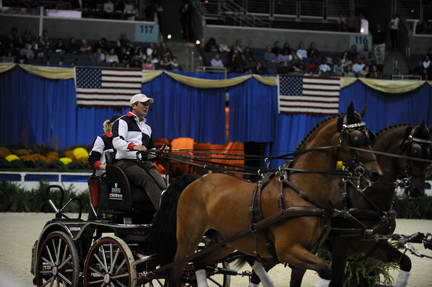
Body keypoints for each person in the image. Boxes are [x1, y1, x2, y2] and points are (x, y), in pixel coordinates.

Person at [112, 93, 166, 210]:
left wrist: (158, 152)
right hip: (124, 162)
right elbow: (117, 142)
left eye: (148, 105)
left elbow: (149, 151)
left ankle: (170, 209)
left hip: (143, 162)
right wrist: (134, 147)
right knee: (147, 180)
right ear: (134, 105)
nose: (147, 107)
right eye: (144, 104)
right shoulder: (123, 121)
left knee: (163, 184)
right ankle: (162, 213)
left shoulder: (148, 128)